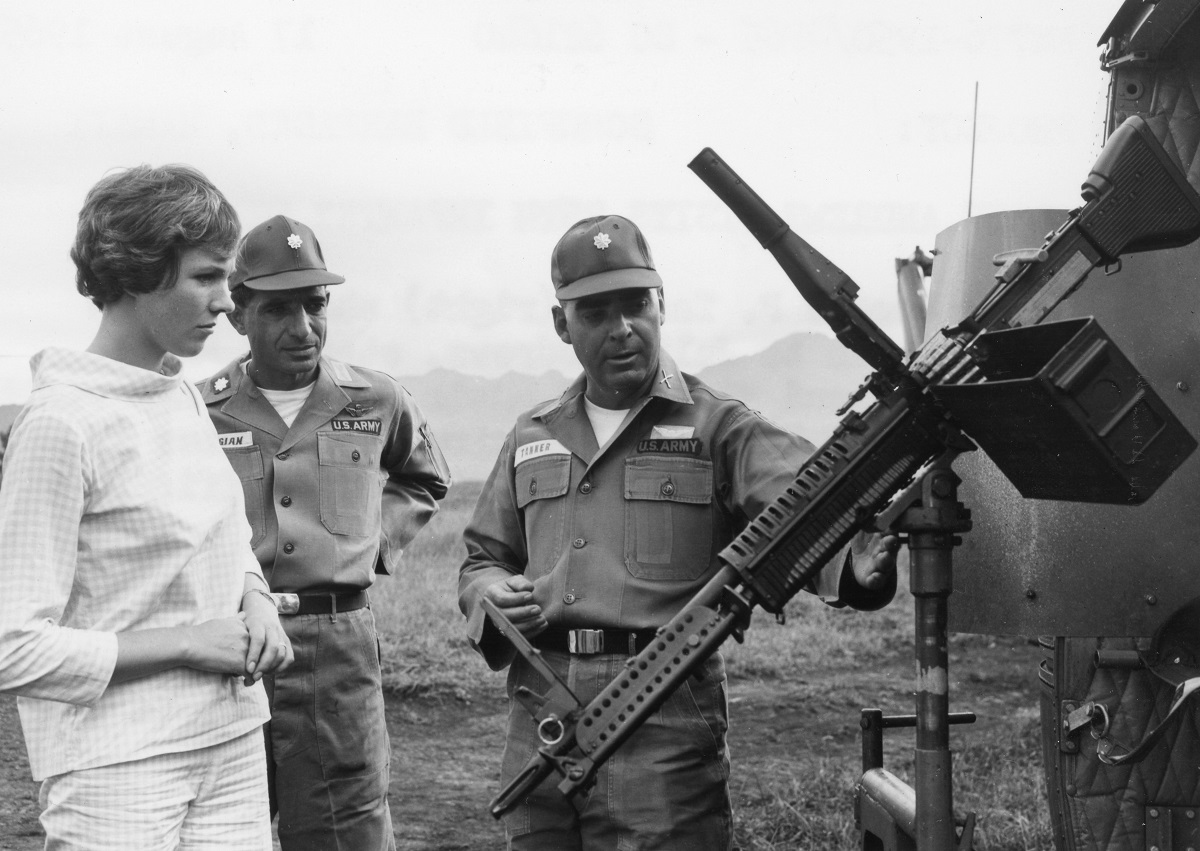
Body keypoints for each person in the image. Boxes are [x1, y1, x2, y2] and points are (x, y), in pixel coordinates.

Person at [458, 214, 900, 850]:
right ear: (563, 325)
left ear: (661, 304)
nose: (622, 328)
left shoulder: (719, 427)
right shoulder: (533, 434)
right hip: (540, 712)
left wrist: (856, 568)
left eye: (637, 304)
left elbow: (812, 506)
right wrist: (491, 596)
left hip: (662, 714)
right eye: (595, 312)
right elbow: (481, 559)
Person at [0, 165, 293, 850]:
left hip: (232, 741)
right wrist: (190, 642)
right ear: (135, 272)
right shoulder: (61, 422)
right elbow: (12, 646)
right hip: (117, 767)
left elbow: (224, 543)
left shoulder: (184, 398)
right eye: (205, 276)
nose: (227, 301)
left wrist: (256, 602)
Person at [199, 215, 452, 851]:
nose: (302, 328)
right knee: (225, 824)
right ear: (238, 314)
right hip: (232, 647)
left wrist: (376, 546)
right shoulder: (199, 409)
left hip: (336, 648)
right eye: (279, 309)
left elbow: (424, 480)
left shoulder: (377, 399)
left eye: (315, 306)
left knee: (346, 823)